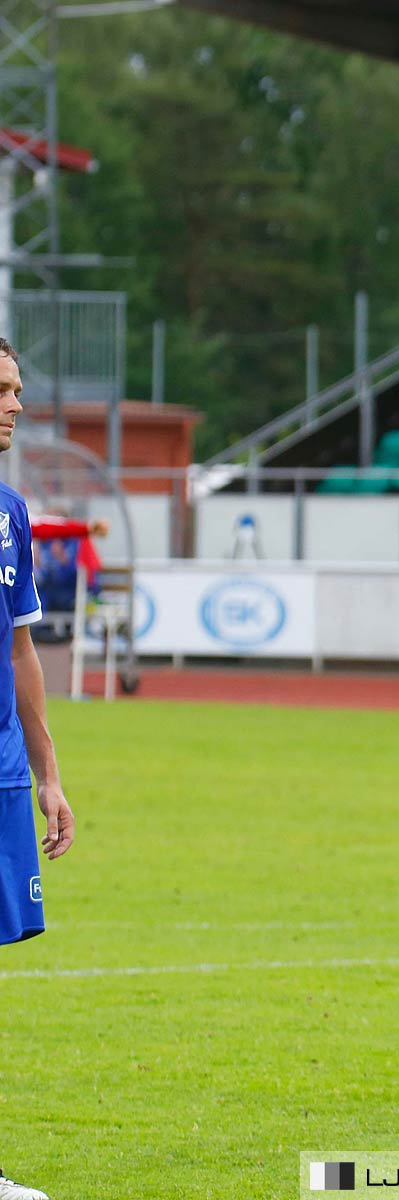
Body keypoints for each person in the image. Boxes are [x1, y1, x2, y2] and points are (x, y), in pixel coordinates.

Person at [0, 338, 75, 1200]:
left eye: (19, 389)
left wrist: (49, 773)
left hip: (3, 778)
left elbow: (21, 649)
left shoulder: (11, 511)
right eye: (2, 390)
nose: (16, 405)